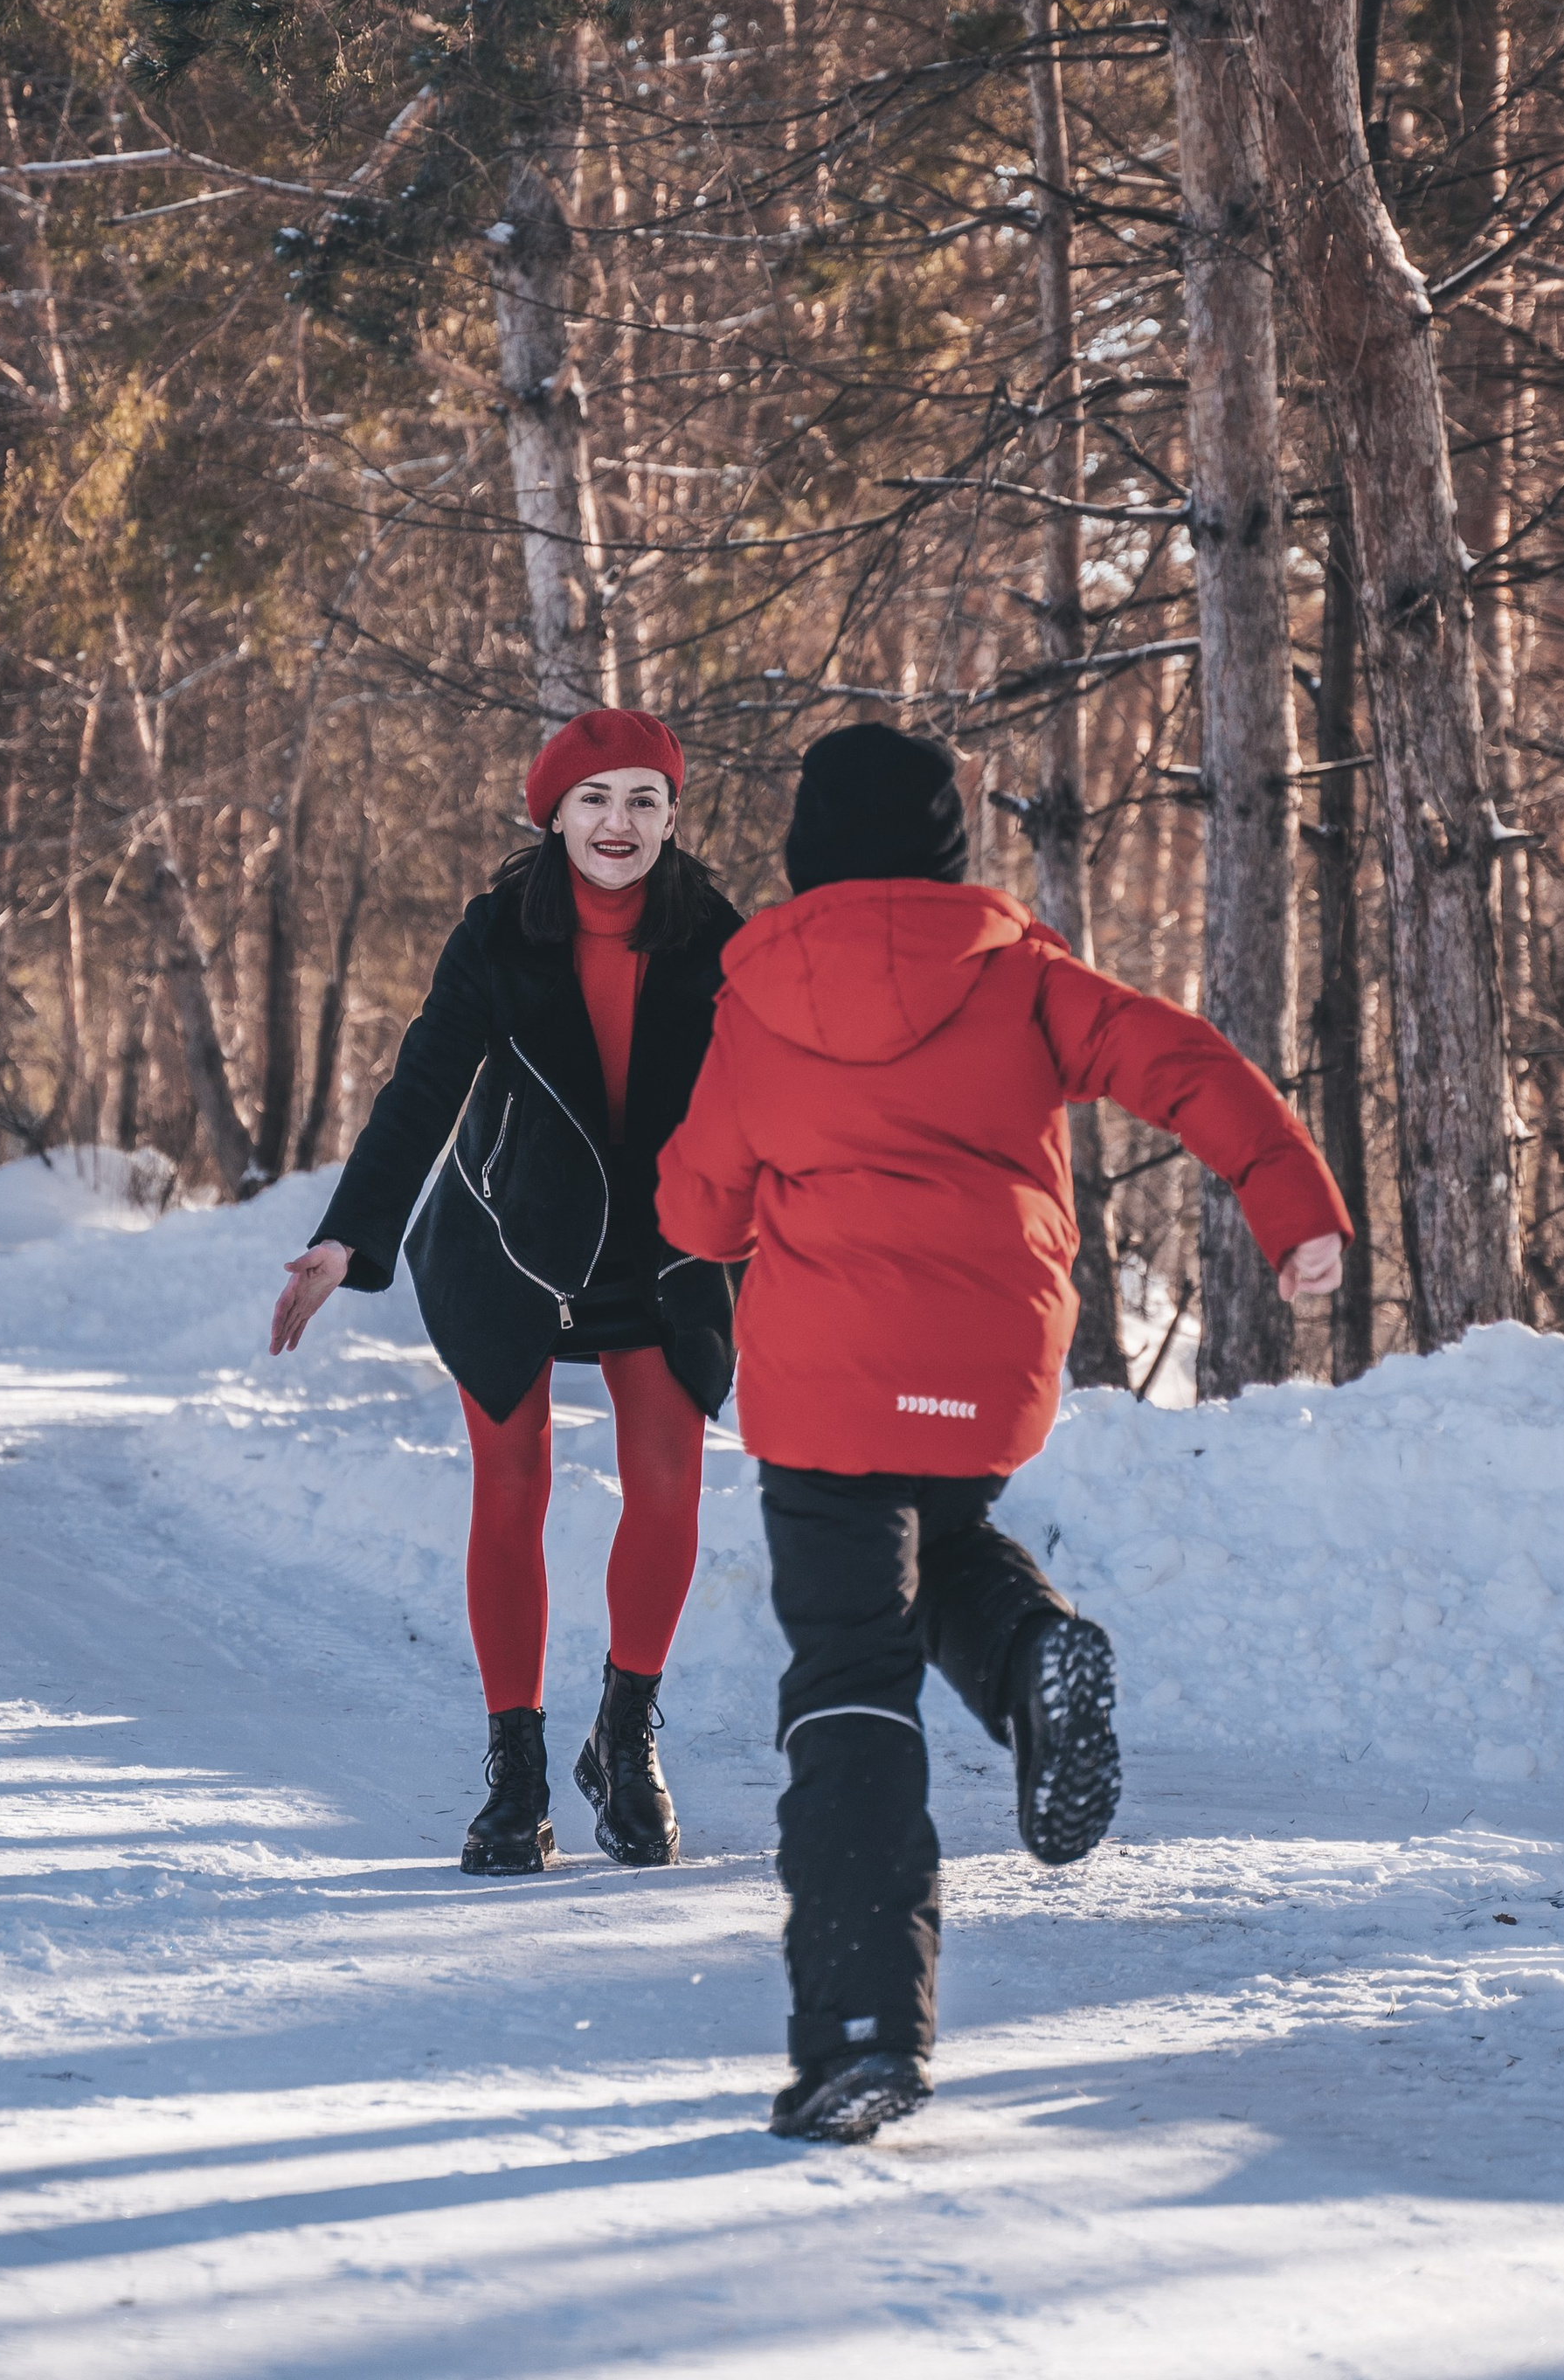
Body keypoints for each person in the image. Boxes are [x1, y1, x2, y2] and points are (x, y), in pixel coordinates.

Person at [654, 722, 1349, 2145]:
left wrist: (728, 1211)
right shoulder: (1024, 972)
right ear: (950, 848)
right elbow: (1189, 1063)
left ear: (805, 852)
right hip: (983, 1370)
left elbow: (696, 1207)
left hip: (826, 1382)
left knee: (850, 1674)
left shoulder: (755, 994)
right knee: (949, 1532)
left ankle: (860, 2033)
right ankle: (1032, 1653)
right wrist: (1295, 1209)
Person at [270, 707, 744, 1878]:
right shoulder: (498, 934)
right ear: (554, 814)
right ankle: (516, 1767)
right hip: (512, 1238)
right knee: (512, 1484)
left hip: (661, 1244)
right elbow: (423, 1086)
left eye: (643, 799)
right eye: (594, 800)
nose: (618, 823)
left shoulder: (718, 936)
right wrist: (347, 1239)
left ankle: (624, 1739)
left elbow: (778, 1092)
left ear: (673, 816)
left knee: (673, 1490)